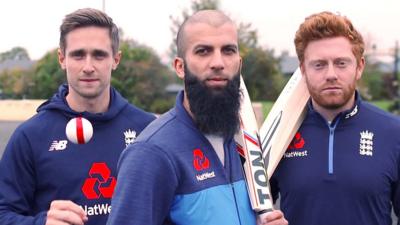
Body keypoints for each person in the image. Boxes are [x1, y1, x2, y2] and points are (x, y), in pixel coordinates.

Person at [107, 10, 287, 225]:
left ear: (239, 64)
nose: (218, 62)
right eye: (203, 51)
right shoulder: (151, 153)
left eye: (228, 51)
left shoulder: (243, 142)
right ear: (180, 67)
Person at [0, 8, 155, 225]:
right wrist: (41, 223)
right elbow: (3, 212)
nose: (88, 67)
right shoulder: (31, 136)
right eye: (78, 55)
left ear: (116, 60)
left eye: (99, 55)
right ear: (62, 59)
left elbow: (171, 208)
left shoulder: (148, 130)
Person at [270, 11, 400, 225]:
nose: (331, 74)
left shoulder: (393, 133)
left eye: (341, 63)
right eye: (319, 64)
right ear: (303, 70)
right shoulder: (278, 134)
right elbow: (252, 210)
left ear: (359, 67)